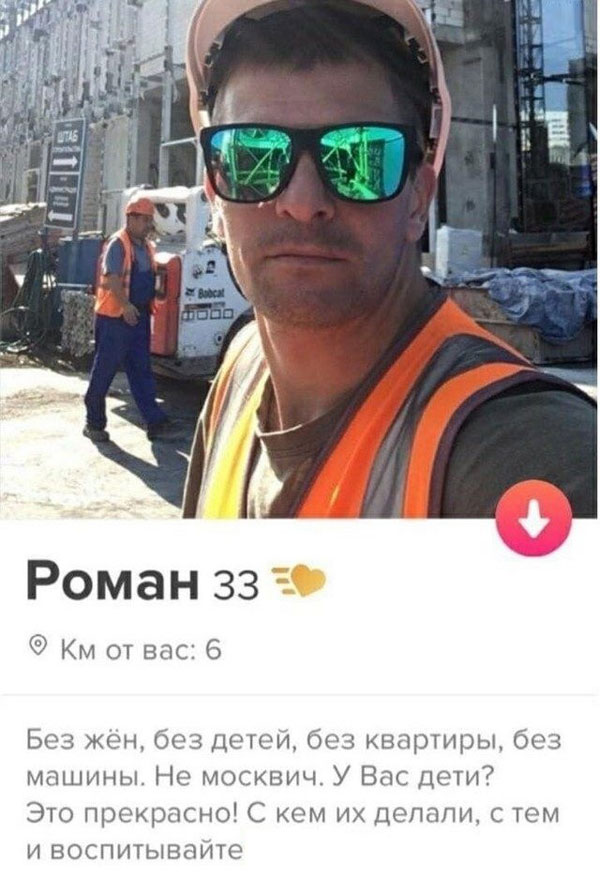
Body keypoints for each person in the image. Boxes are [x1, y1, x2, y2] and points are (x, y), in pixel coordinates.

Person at [182, 0, 596, 519]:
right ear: (214, 194)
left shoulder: (520, 450)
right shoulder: (240, 370)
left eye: (359, 158)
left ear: (418, 198)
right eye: (253, 156)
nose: (303, 203)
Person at [83, 197, 172, 442]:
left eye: (150, 220)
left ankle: (154, 421)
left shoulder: (147, 246)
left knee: (141, 370)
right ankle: (94, 424)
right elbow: (112, 278)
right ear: (131, 218)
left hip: (139, 316)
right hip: (115, 318)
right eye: (144, 220)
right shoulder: (118, 243)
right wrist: (125, 306)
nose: (148, 225)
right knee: (104, 371)